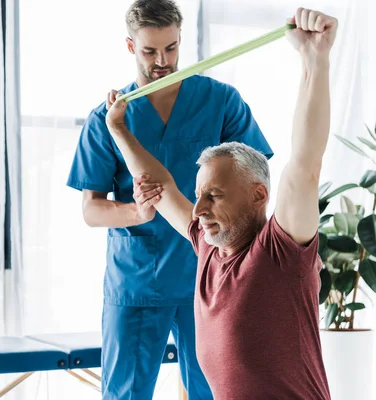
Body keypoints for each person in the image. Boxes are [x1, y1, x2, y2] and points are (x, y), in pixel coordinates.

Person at [104, 7, 336, 399]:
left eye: (214, 196)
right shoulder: (208, 248)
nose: (198, 210)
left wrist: (316, 60)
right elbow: (160, 185)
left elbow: (305, 164)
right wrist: (118, 129)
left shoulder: (281, 253)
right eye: (198, 197)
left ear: (258, 194)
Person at [66, 0, 272, 398]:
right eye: (149, 51)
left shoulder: (222, 102)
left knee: (217, 389)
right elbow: (91, 210)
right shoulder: (106, 119)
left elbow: (256, 183)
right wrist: (134, 211)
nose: (163, 60)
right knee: (126, 393)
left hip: (210, 275)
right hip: (138, 280)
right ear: (130, 46)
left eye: (171, 48)